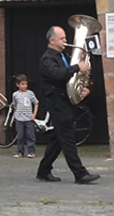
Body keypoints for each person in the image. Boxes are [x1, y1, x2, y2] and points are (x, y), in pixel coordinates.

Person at [36, 27, 100, 186]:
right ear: (52, 40)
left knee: (58, 139)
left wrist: (84, 87)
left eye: (65, 37)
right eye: (62, 38)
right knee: (68, 138)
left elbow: (73, 77)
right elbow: (58, 74)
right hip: (56, 102)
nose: (66, 41)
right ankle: (80, 173)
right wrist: (76, 67)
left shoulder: (64, 56)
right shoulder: (47, 59)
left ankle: (43, 170)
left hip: (65, 100)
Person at [11, 75, 39, 158]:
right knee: (20, 136)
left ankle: (31, 152)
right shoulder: (15, 95)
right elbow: (14, 104)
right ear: (17, 85)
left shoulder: (30, 93)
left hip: (29, 118)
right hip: (19, 118)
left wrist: (34, 114)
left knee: (30, 136)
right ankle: (20, 152)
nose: (24, 86)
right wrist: (16, 110)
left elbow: (36, 103)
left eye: (26, 84)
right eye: (22, 84)